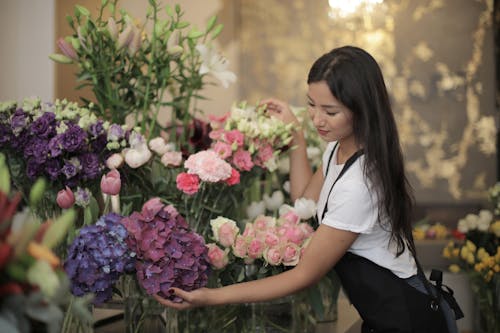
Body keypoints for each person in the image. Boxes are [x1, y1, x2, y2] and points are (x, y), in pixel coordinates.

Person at [154, 46, 460, 333]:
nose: (316, 119)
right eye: (311, 105)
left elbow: (304, 275)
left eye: (330, 111)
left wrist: (211, 297)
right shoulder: (339, 149)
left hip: (406, 318)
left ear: (362, 108)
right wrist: (296, 136)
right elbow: (305, 200)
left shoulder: (362, 184)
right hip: (382, 313)